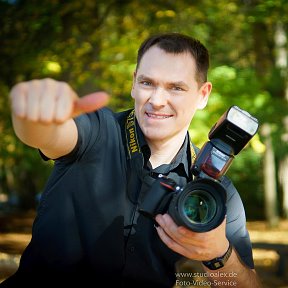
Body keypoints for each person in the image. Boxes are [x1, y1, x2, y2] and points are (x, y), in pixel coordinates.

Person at [2, 32, 262, 288]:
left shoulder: (217, 194)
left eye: (176, 88)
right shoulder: (97, 130)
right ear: (133, 83)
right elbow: (48, 134)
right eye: (148, 83)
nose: (157, 101)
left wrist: (219, 255)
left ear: (203, 95)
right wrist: (32, 114)